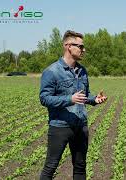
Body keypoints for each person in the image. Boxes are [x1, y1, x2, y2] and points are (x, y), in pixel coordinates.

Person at [39, 30, 107, 180]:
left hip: (80, 125)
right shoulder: (52, 71)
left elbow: (83, 96)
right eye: (80, 46)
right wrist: (69, 99)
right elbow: (44, 98)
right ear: (68, 46)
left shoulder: (82, 71)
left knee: (80, 167)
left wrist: (94, 99)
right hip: (60, 126)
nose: (84, 50)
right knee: (50, 167)